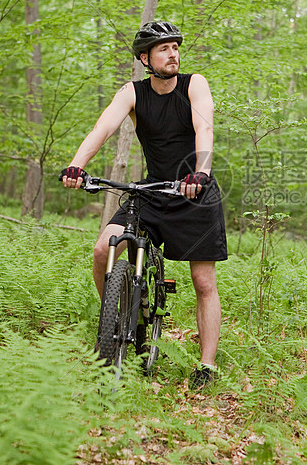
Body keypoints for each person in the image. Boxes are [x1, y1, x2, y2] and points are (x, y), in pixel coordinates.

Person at [59, 21, 228, 389]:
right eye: (164, 48)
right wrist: (77, 165)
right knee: (103, 249)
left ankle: (206, 366)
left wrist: (200, 172)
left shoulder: (193, 84)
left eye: (175, 47)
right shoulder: (132, 93)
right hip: (152, 192)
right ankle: (120, 322)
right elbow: (101, 129)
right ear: (145, 58)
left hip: (192, 192)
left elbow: (205, 129)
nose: (173, 54)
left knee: (202, 281)